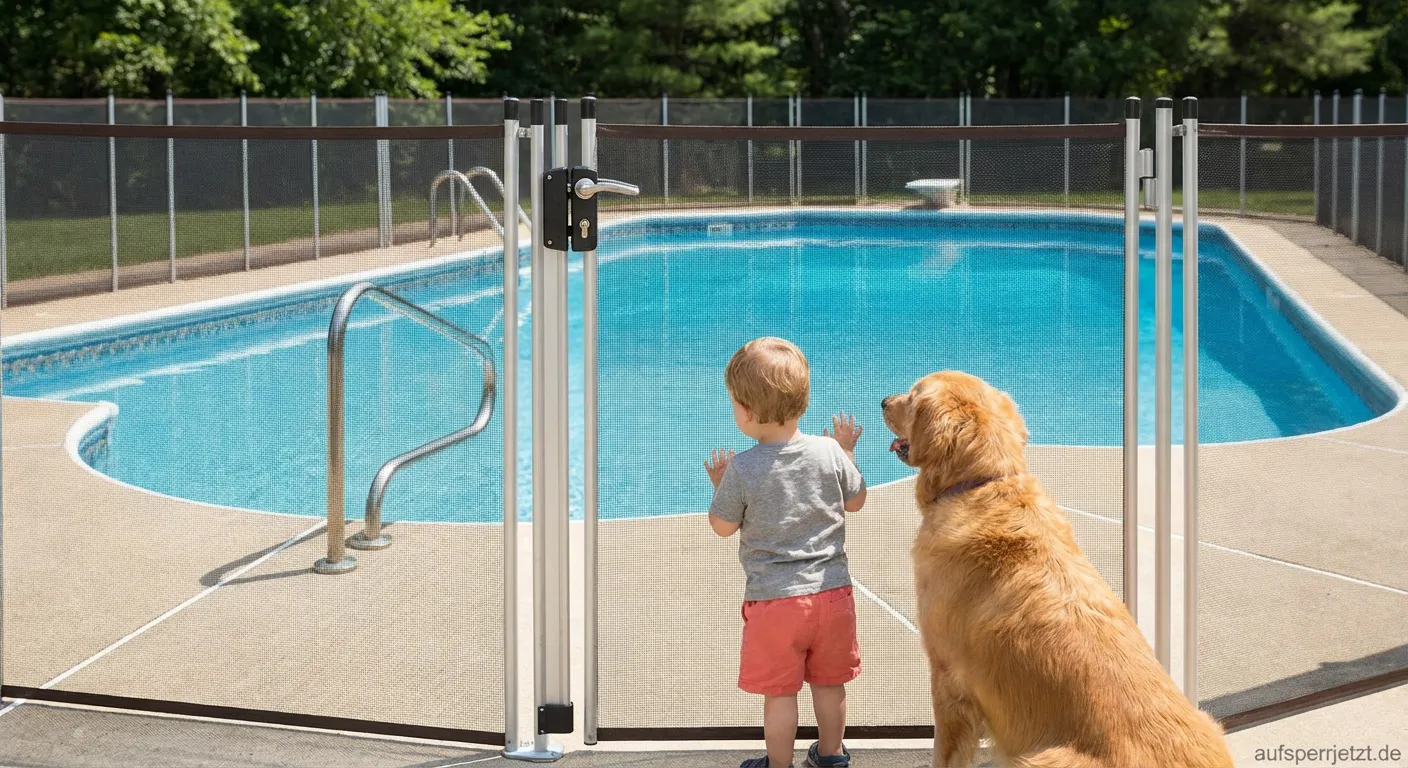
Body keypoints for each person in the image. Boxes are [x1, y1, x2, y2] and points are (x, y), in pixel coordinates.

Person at [704, 337, 867, 768]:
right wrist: (848, 451)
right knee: (830, 686)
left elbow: (722, 528)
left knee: (780, 694)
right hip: (833, 596)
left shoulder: (742, 467)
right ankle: (831, 756)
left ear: (749, 413)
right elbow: (855, 501)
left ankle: (780, 766)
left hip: (776, 604)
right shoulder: (830, 451)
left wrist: (722, 489)